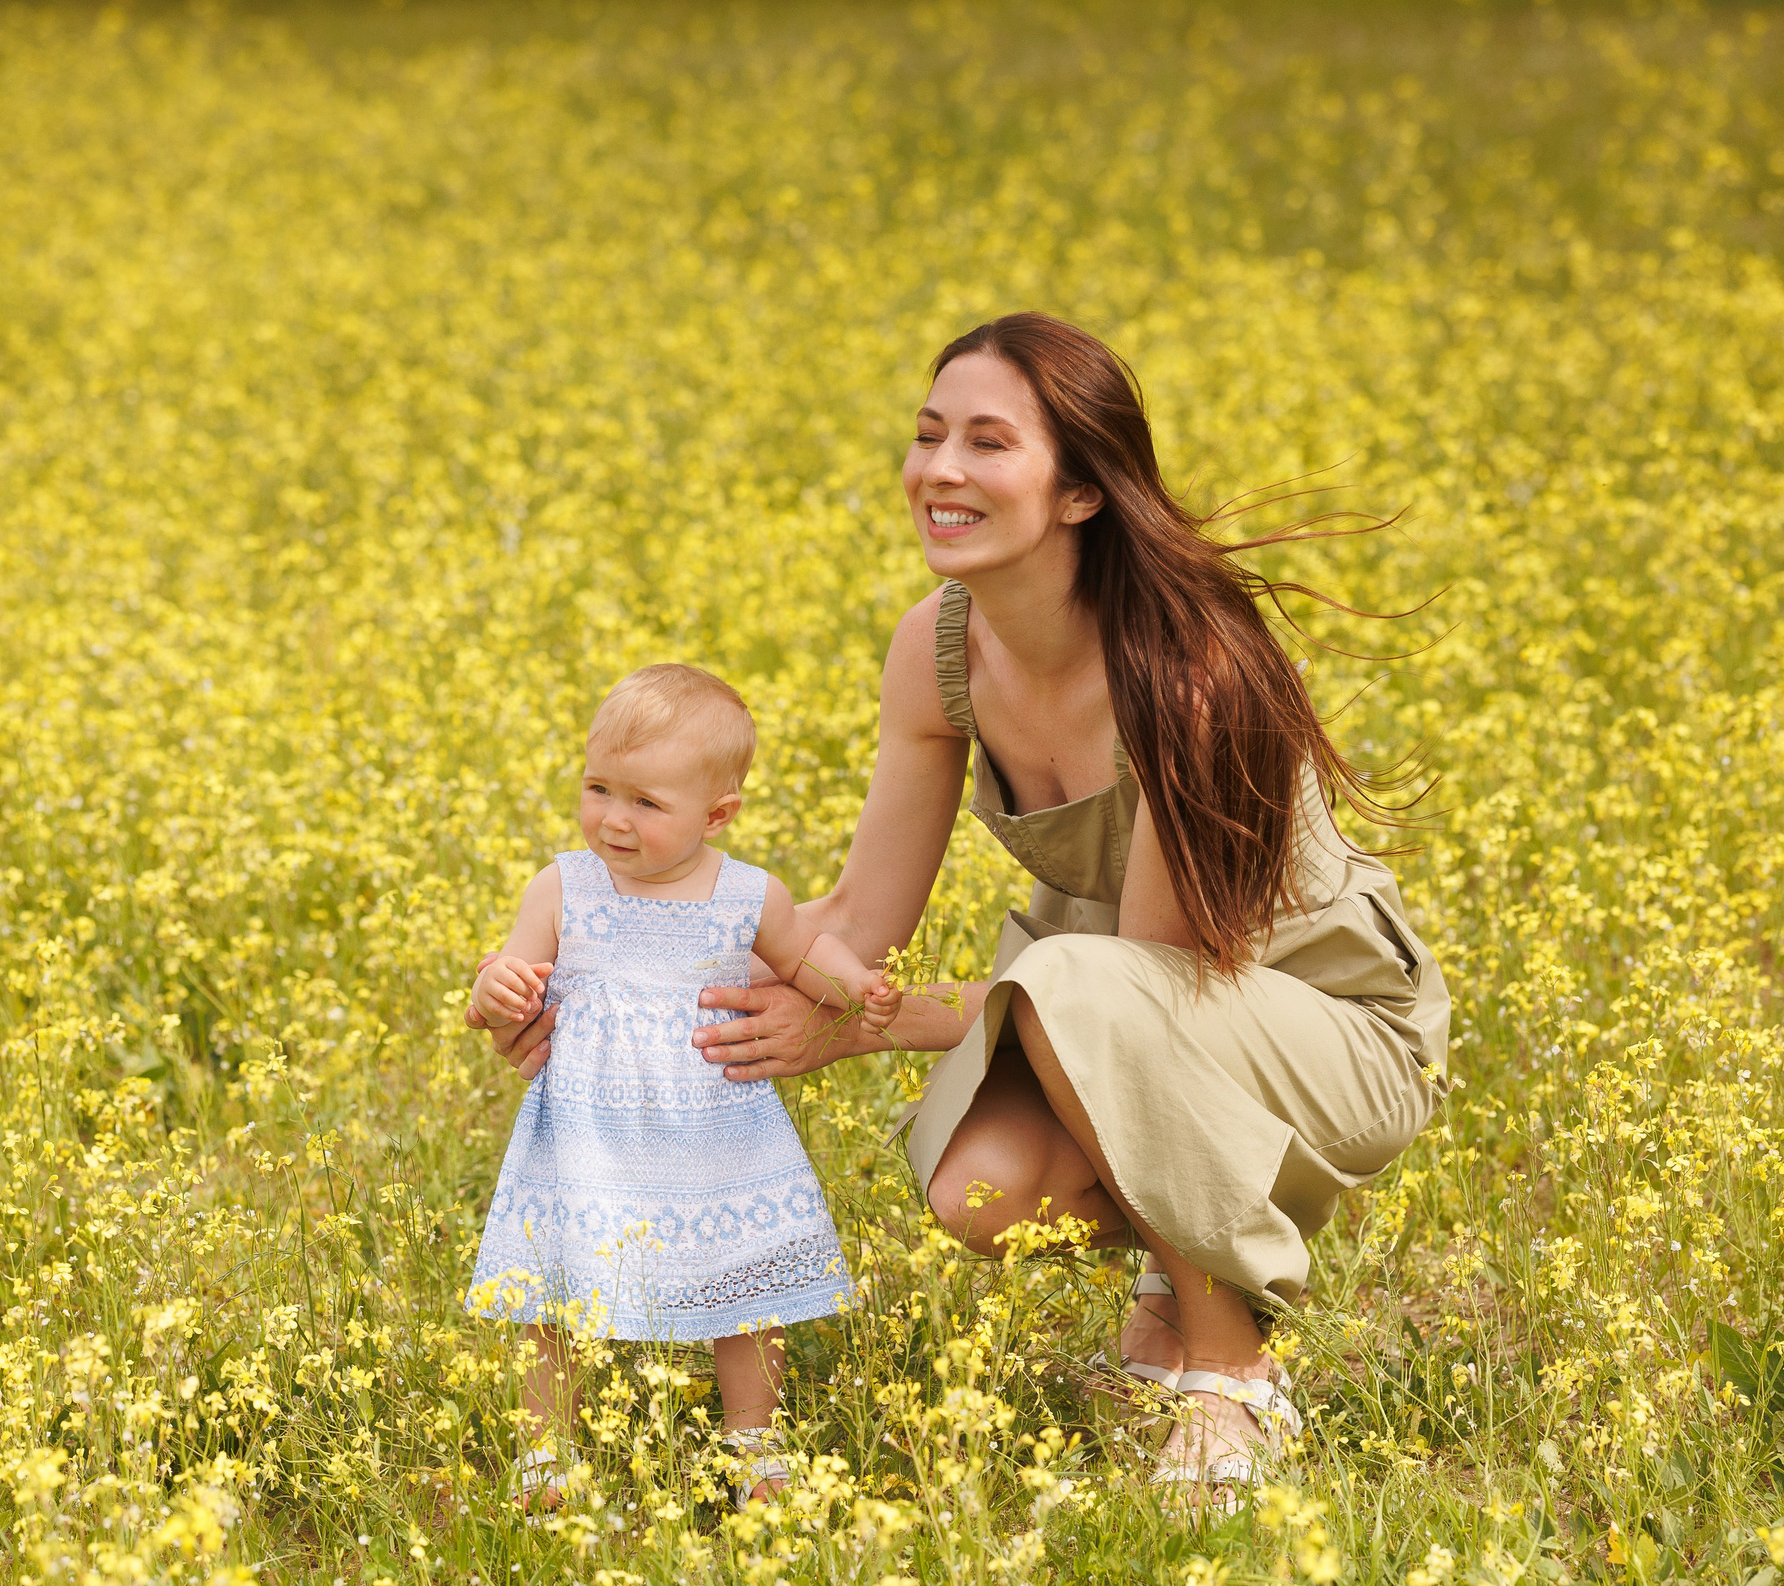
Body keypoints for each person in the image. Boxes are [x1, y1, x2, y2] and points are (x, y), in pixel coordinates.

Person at [483, 313, 1449, 1510]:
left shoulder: (1188, 671)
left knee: (1083, 981)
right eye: (928, 434)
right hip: (1119, 1013)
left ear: (1082, 491)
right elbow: (858, 921)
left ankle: (1231, 1365)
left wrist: (860, 1023)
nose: (940, 470)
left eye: (988, 443)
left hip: (1326, 1031)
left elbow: (1147, 980)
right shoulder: (938, 648)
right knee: (981, 1191)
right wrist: (610, 984)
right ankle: (1171, 1278)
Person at [463, 663, 898, 1511]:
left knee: (744, 1286)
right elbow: (506, 978)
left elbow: (805, 955)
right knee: (553, 1292)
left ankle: (754, 1443)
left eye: (646, 802)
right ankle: (546, 1451)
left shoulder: (747, 893)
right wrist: (494, 988)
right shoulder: (562, 886)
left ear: (717, 814)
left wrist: (857, 987)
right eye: (598, 788)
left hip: (714, 1134)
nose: (613, 819)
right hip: (588, 1137)